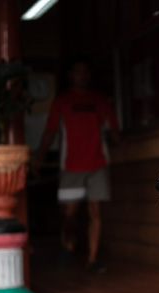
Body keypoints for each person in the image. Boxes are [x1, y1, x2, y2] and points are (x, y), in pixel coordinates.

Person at [32, 56, 122, 273]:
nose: (82, 75)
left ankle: (92, 260)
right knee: (69, 215)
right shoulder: (61, 101)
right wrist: (39, 157)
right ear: (70, 75)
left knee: (95, 213)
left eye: (85, 71)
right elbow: (50, 131)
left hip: (98, 163)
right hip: (70, 166)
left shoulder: (100, 101)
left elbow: (113, 131)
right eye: (78, 71)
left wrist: (124, 143)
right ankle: (67, 244)